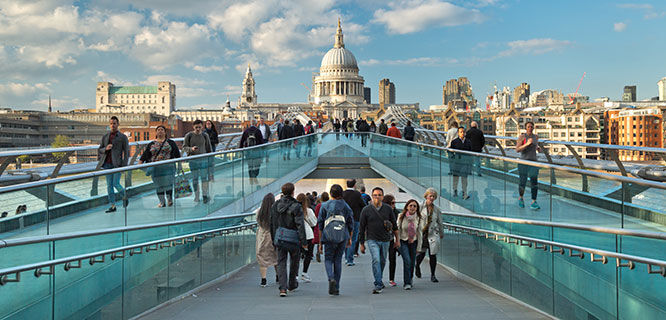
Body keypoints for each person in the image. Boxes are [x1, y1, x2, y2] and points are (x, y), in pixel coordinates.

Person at [359, 187, 399, 294]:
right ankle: (378, 284)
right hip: (372, 239)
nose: (377, 197)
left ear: (382, 196)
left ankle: (379, 278)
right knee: (376, 259)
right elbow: (362, 228)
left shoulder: (388, 209)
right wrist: (362, 243)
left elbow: (395, 226)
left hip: (386, 239)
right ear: (372, 196)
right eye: (375, 195)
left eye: (379, 195)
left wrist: (397, 240)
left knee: (382, 261)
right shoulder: (366, 210)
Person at [269, 183, 306, 297]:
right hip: (293, 238)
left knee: (281, 262)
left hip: (280, 237)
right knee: (294, 262)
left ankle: (282, 288)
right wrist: (303, 241)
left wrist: (273, 238)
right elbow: (300, 224)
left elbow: (272, 223)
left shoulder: (275, 205)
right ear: (293, 191)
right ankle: (292, 283)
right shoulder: (296, 206)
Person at [317, 184, 354, 295]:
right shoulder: (346, 206)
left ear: (331, 194)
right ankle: (336, 287)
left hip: (328, 236)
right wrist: (349, 238)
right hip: (342, 235)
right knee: (338, 260)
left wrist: (320, 242)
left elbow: (320, 224)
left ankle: (330, 278)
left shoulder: (324, 205)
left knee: (328, 259)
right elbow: (350, 223)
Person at [139, 125, 181, 207]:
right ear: (156, 132)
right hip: (155, 168)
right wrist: (140, 165)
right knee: (158, 185)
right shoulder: (151, 144)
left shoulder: (170, 143)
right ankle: (162, 201)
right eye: (158, 130)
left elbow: (177, 155)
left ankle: (169, 199)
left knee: (168, 183)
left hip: (169, 167)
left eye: (162, 129)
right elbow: (144, 155)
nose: (160, 131)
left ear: (165, 132)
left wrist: (180, 166)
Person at [98, 116, 129, 213]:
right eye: (111, 123)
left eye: (114, 123)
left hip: (117, 164)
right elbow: (100, 149)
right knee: (109, 186)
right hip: (107, 164)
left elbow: (126, 152)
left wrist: (124, 166)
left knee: (116, 183)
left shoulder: (123, 137)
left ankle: (124, 196)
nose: (112, 125)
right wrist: (105, 149)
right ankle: (112, 206)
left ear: (118, 124)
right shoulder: (105, 136)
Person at [415, 188, 443, 283]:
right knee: (422, 253)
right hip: (422, 233)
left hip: (432, 234)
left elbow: (440, 222)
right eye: (430, 196)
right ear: (426, 196)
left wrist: (441, 233)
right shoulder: (420, 206)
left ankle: (433, 275)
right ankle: (417, 265)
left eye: (433, 196)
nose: (432, 198)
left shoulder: (437, 209)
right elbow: (415, 218)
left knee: (433, 255)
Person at [183, 119, 213, 204]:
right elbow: (184, 147)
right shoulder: (189, 135)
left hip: (203, 161)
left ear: (202, 127)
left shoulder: (205, 135)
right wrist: (191, 149)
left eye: (199, 127)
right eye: (196, 127)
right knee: (195, 179)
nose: (198, 129)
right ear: (193, 127)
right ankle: (196, 195)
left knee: (204, 178)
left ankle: (205, 195)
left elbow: (209, 148)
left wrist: (210, 161)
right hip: (193, 161)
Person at [396, 199, 422, 290]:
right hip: (403, 241)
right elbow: (398, 230)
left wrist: (419, 247)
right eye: (410, 205)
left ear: (417, 208)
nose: (412, 207)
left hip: (414, 242)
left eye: (414, 206)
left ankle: (410, 278)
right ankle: (406, 283)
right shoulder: (401, 216)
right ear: (407, 206)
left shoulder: (419, 218)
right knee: (407, 261)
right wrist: (397, 242)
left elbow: (420, 233)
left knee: (412, 262)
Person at [515, 121, 541, 210]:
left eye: (532, 127)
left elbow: (536, 146)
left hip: (534, 162)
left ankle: (534, 201)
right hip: (524, 162)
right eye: (529, 127)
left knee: (534, 182)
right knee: (523, 182)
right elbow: (517, 150)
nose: (530, 128)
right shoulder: (522, 137)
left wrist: (538, 148)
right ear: (526, 128)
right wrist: (527, 144)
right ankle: (521, 198)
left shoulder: (536, 137)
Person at [255, 193, 278, 287]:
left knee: (262, 258)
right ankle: (278, 276)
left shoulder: (259, 212)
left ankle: (263, 280)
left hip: (262, 237)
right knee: (276, 257)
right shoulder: (276, 211)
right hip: (273, 236)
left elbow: (258, 222)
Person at [342, 179, 364, 266]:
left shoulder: (343, 194)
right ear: (354, 185)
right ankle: (350, 259)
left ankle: (346, 257)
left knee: (345, 238)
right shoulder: (357, 194)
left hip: (344, 219)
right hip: (355, 218)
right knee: (353, 239)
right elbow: (363, 205)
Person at [296, 193, 317, 283]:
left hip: (296, 235)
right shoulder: (308, 211)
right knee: (308, 255)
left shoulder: (294, 210)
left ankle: (295, 275)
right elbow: (314, 223)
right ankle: (304, 273)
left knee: (296, 256)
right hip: (308, 235)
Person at [383, 194, 401, 287]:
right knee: (381, 259)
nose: (393, 205)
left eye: (394, 203)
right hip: (382, 238)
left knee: (392, 259)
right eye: (392, 203)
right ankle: (379, 278)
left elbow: (398, 228)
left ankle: (391, 279)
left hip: (392, 239)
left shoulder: (397, 213)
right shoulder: (382, 212)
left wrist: (397, 240)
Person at [239, 120, 265, 185]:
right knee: (257, 165)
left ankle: (251, 178)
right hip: (256, 151)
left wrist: (241, 150)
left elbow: (242, 141)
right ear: (256, 124)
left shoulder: (246, 131)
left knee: (250, 165)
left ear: (250, 124)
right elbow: (261, 142)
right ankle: (255, 176)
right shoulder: (258, 131)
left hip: (248, 151)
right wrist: (263, 150)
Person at [450, 127, 472, 199]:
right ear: (458, 133)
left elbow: (471, 153)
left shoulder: (468, 142)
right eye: (461, 132)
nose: (462, 133)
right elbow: (451, 152)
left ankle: (464, 193)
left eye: (463, 132)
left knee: (464, 178)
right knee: (455, 178)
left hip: (465, 163)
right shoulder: (454, 142)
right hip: (457, 162)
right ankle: (455, 191)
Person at [313, 192, 329, 263]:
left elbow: (316, 215)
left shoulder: (319, 205)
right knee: (328, 239)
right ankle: (327, 254)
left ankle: (319, 250)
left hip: (320, 223)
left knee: (320, 239)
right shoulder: (329, 205)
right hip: (328, 223)